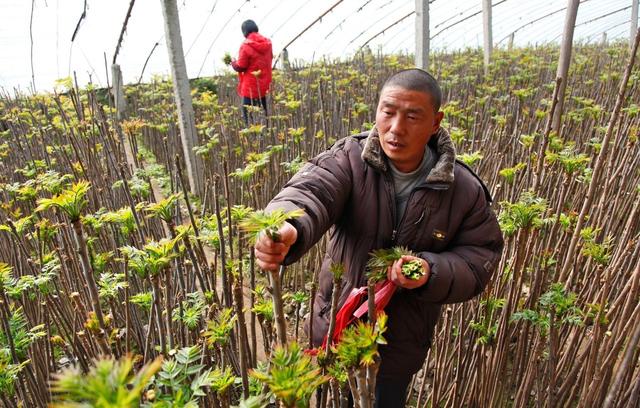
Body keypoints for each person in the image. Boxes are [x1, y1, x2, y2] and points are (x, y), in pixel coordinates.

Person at [254, 69, 504, 407]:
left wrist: (429, 270)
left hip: (400, 341)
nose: (396, 128)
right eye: (388, 111)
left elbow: (479, 258)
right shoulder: (349, 159)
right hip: (339, 328)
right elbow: (311, 191)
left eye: (413, 116)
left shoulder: (463, 190)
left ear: (436, 122)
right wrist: (289, 227)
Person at [230, 19, 273, 125]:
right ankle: (266, 135)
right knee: (263, 114)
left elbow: (241, 66)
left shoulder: (246, 45)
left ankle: (252, 137)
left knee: (248, 117)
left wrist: (233, 63)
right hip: (264, 84)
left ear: (244, 32)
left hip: (251, 87)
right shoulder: (267, 43)